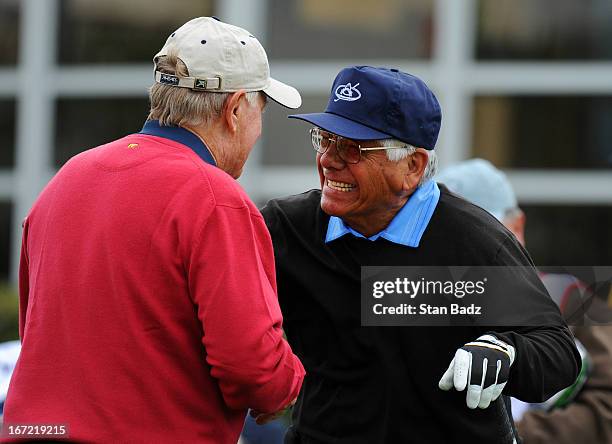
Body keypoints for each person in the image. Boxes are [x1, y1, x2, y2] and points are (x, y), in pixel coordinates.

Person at [2, 17, 304, 443]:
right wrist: (297, 382)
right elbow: (251, 367)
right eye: (261, 109)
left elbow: (35, 330)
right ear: (235, 109)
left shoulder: (68, 178)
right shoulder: (214, 197)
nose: (259, 127)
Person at [260, 66, 580, 443]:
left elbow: (558, 352)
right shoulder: (285, 228)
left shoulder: (475, 243)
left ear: (413, 167)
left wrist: (506, 352)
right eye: (323, 139)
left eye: (351, 147)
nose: (329, 159)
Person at [437, 158, 612, 444]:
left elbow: (607, 408)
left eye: (483, 229)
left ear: (518, 226)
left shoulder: (571, 299)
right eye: (453, 235)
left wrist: (512, 434)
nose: (469, 247)